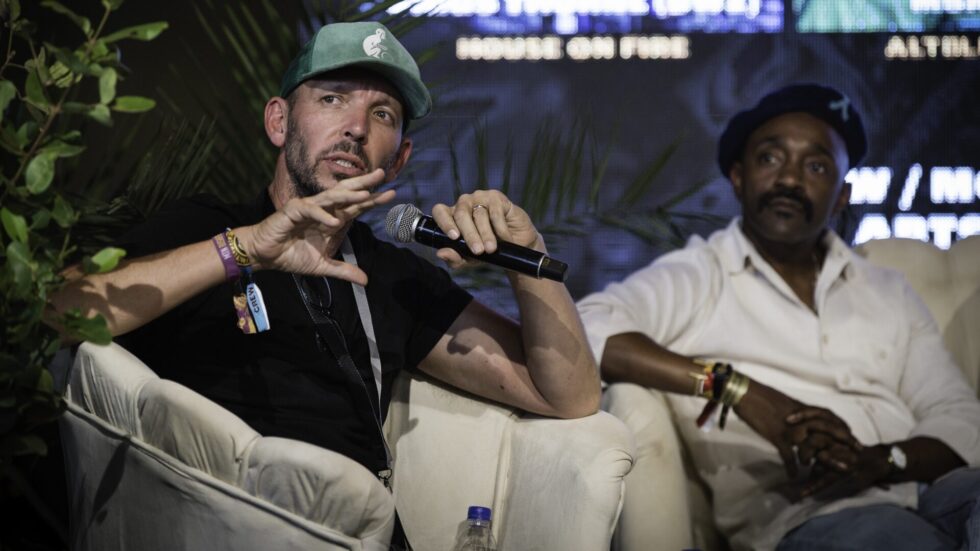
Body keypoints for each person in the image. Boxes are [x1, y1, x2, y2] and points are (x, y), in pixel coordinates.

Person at [49, 19, 599, 528]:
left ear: (398, 159)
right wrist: (242, 250)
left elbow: (567, 397)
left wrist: (529, 258)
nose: (356, 128)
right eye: (333, 98)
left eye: (382, 114)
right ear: (279, 121)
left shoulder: (393, 277)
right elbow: (60, 311)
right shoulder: (207, 228)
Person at [577, 84, 980, 550]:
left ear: (842, 195)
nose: (790, 178)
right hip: (816, 515)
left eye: (816, 166)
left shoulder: (888, 289)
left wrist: (883, 460)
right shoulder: (700, 275)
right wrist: (735, 388)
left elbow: (959, 417)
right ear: (738, 177)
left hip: (932, 488)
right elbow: (587, 328)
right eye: (770, 158)